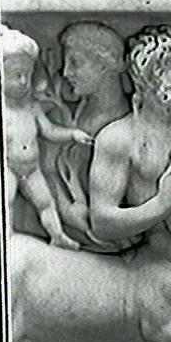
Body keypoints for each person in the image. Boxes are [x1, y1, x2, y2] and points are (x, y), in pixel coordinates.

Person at [0, 24, 92, 250]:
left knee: (45, 202)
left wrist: (72, 134)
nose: (24, 81)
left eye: (27, 75)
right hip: (8, 168)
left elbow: (49, 131)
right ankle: (5, 237)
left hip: (32, 169)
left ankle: (57, 236)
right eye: (16, 75)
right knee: (5, 202)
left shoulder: (31, 107)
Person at [54, 21, 133, 250]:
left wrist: (64, 207)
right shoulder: (83, 109)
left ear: (104, 65)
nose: (66, 72)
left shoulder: (118, 126)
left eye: (75, 63)